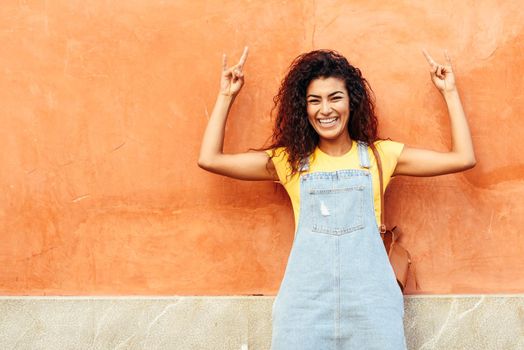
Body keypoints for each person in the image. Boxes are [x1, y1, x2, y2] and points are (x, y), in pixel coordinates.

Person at [197, 46, 476, 349]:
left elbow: (463, 158)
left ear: (351, 103)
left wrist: (449, 91)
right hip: (305, 311)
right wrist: (227, 95)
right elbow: (210, 159)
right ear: (303, 109)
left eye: (335, 98)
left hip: (372, 309)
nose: (325, 110)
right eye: (314, 100)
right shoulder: (289, 162)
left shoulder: (379, 156)